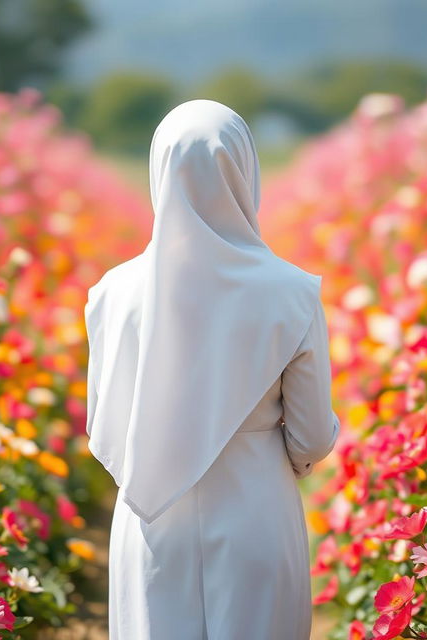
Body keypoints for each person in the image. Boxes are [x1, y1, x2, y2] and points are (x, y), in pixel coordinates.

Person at [84, 99, 340, 640]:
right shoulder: (292, 292)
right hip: (256, 504)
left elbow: (102, 423)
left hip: (151, 515)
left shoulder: (112, 292)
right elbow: (313, 436)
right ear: (245, 170)